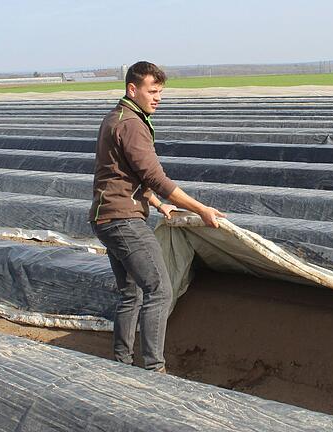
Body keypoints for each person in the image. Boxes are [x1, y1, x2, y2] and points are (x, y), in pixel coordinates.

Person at [88, 61, 224, 372]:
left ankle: (122, 363)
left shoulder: (115, 118)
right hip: (124, 220)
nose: (158, 97)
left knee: (131, 293)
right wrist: (200, 208)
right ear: (132, 89)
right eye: (153, 91)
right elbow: (154, 177)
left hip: (105, 217)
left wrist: (160, 206)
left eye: (161, 91)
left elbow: (120, 174)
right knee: (159, 290)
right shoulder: (132, 125)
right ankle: (155, 370)